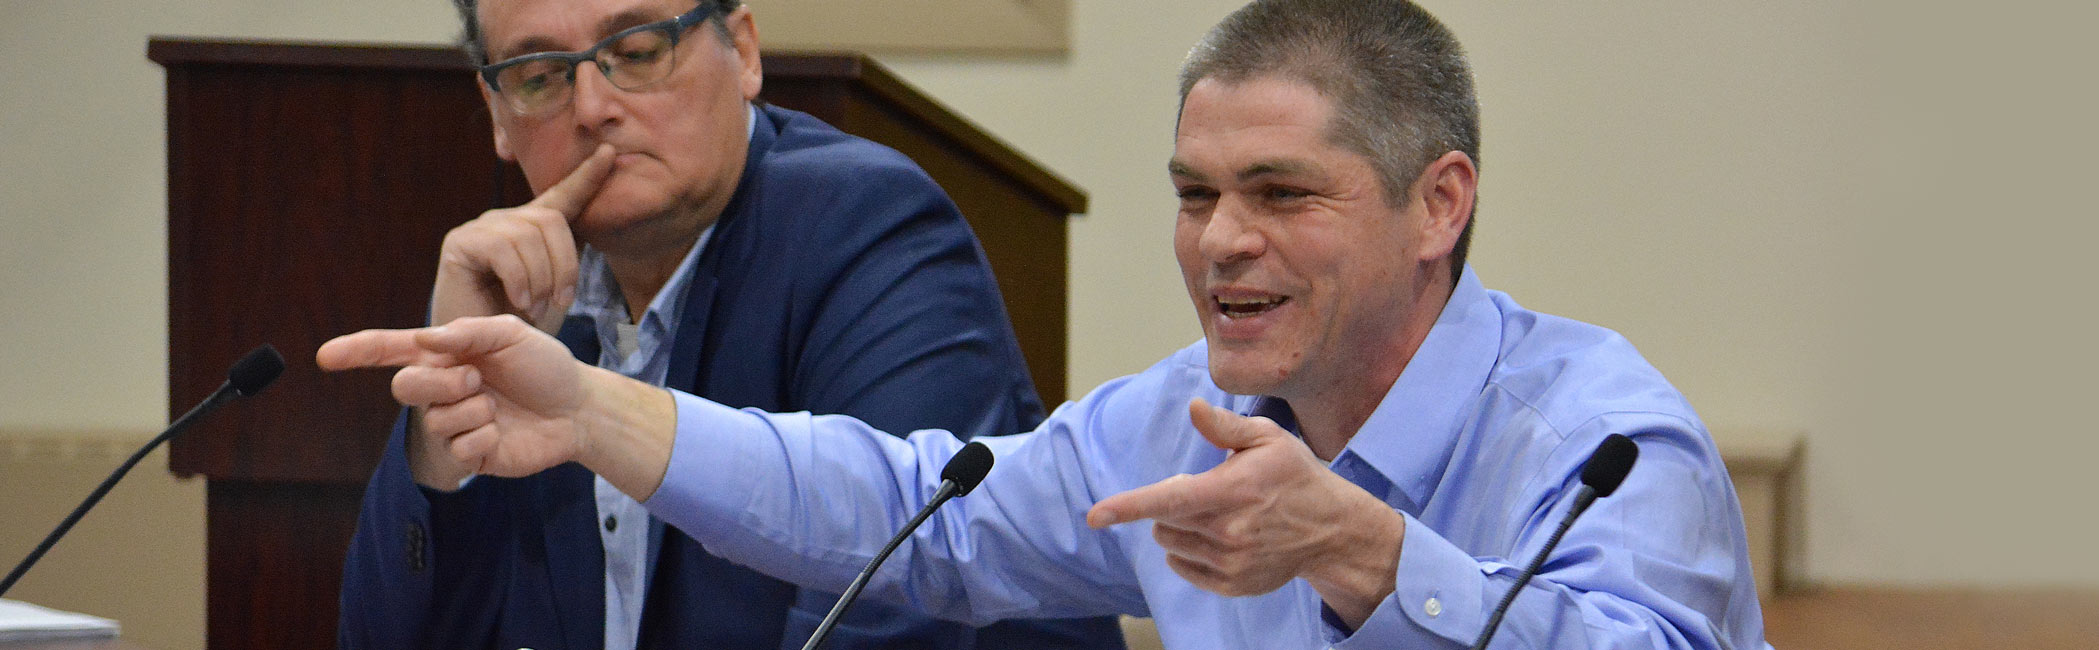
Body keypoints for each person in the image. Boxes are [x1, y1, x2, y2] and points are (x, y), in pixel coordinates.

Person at [322, 0, 1772, 647]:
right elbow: (912, 510)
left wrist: (1366, 553)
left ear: (1438, 202)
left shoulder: (1601, 442)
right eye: (1195, 194)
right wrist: (590, 411)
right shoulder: (1180, 422)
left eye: (1280, 192)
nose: (1221, 240)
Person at [335, 0, 1127, 648]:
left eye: (636, 51)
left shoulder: (867, 227)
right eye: (540, 76)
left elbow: (892, 612)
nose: (593, 108)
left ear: (743, 51)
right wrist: (444, 423)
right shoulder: (520, 299)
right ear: (497, 115)